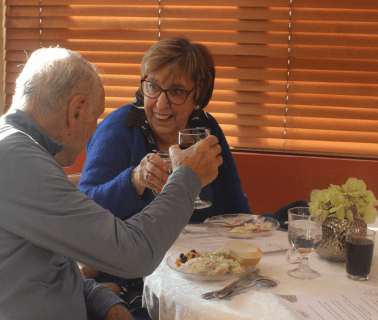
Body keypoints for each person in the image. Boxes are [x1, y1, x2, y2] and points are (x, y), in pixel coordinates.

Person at [0, 47, 222, 320]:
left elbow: (44, 262)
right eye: (95, 116)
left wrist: (100, 299)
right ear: (76, 110)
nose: (96, 128)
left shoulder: (10, 150)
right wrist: (188, 176)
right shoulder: (13, 160)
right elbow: (134, 254)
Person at [76, 38, 251, 303]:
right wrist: (133, 181)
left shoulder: (207, 130)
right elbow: (83, 209)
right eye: (153, 87)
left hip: (204, 272)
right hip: (134, 279)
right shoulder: (118, 130)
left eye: (177, 91)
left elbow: (236, 206)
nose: (160, 103)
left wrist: (248, 247)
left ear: (198, 95)